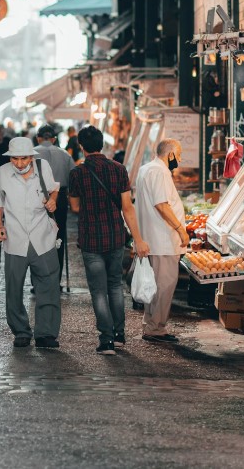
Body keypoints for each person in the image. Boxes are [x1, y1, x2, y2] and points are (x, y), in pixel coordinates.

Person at [68, 126, 148, 354]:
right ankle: (119, 334)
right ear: (102, 144)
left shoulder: (77, 173)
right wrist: (138, 239)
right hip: (115, 237)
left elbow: (75, 206)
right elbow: (127, 207)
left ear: (81, 146)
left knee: (98, 291)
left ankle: (106, 340)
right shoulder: (119, 169)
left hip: (91, 239)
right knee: (115, 286)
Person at [0, 136, 61, 349]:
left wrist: (53, 200)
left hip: (42, 237)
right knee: (14, 288)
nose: (20, 164)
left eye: (24, 159)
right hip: (14, 238)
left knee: (48, 285)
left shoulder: (43, 166)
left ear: (31, 157)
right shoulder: (3, 172)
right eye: (15, 159)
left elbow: (54, 188)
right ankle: (21, 331)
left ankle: (46, 333)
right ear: (9, 158)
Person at [135, 138, 189, 343]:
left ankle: (150, 324)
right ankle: (156, 329)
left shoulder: (146, 169)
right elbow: (162, 205)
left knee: (156, 285)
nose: (180, 160)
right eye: (179, 155)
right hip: (163, 240)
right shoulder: (160, 172)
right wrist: (180, 230)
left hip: (153, 238)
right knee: (164, 286)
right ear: (171, 154)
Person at [34, 125, 75, 281]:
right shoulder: (65, 155)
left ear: (38, 138)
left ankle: (39, 279)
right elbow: (73, 179)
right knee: (59, 236)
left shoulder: (30, 153)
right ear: (54, 139)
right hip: (60, 198)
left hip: (37, 197)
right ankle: (55, 279)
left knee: (37, 237)